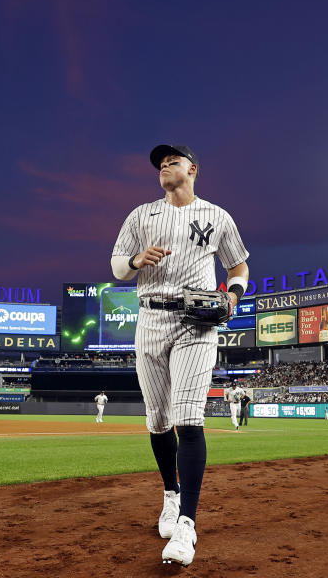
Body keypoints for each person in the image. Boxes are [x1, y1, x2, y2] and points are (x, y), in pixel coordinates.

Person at [111, 144, 250, 567]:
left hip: (197, 323)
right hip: (149, 321)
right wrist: (135, 260)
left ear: (193, 169)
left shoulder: (217, 216)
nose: (164, 166)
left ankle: (187, 524)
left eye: (172, 160)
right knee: (157, 421)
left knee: (188, 418)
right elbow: (118, 267)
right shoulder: (140, 216)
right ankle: (170, 496)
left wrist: (233, 294)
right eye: (160, 164)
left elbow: (239, 266)